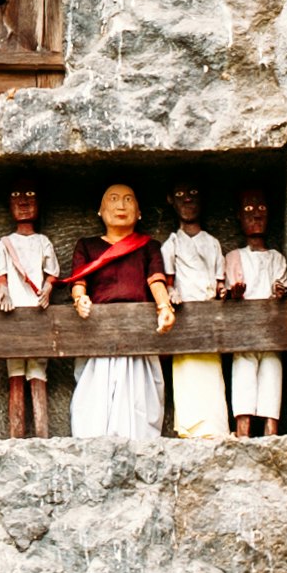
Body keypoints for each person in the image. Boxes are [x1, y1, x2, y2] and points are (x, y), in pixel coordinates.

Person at [62, 183, 174, 440]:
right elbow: (78, 282)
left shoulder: (148, 246)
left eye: (128, 199)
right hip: (98, 334)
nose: (121, 205)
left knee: (138, 404)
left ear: (140, 212)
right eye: (112, 199)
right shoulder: (87, 246)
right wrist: (80, 300)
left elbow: (156, 280)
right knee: (93, 406)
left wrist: (164, 307)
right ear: (100, 211)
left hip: (137, 336)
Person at [158, 189, 229, 441]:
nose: (187, 199)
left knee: (212, 374)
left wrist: (223, 291)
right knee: (187, 374)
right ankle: (191, 429)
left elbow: (220, 280)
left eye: (194, 193)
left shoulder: (212, 243)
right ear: (170, 201)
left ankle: (216, 428)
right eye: (179, 193)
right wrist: (171, 292)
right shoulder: (172, 244)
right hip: (185, 317)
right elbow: (168, 280)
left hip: (209, 317)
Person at [0, 188, 59, 437]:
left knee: (38, 371)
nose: (23, 201)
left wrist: (47, 288)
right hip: (13, 311)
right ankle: (15, 434)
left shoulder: (42, 241)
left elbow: (51, 271)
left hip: (37, 310)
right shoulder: (6, 242)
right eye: (16, 195)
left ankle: (42, 434)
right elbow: (2, 274)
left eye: (31, 194)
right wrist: (5, 292)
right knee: (15, 373)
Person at [225, 193, 287, 435]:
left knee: (272, 374)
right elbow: (227, 291)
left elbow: (280, 286)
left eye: (262, 206)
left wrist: (279, 292)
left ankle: (271, 430)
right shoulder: (233, 257)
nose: (256, 213)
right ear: (238, 217)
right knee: (243, 375)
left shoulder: (277, 258)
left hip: (271, 329)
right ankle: (243, 430)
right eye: (249, 208)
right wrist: (234, 294)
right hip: (244, 329)